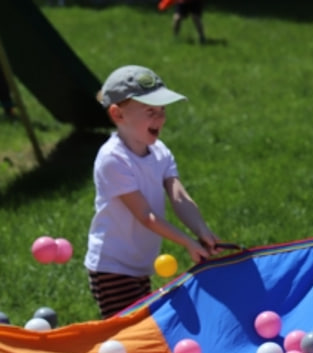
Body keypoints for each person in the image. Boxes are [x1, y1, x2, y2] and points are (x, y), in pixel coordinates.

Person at [85, 65, 220, 318]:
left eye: (162, 110)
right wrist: (187, 242)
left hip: (140, 264)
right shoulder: (113, 159)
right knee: (130, 335)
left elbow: (179, 196)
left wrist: (201, 230)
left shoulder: (160, 152)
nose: (160, 119)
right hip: (112, 267)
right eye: (150, 111)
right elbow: (145, 215)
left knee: (143, 328)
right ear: (117, 114)